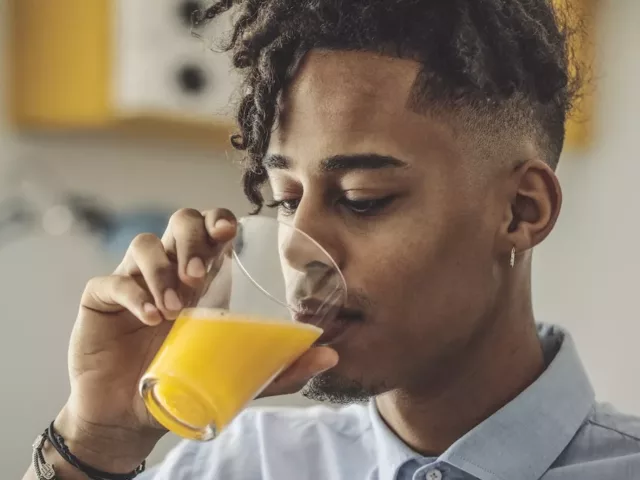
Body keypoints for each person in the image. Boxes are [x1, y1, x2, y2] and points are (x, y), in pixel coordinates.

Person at [24, 1, 640, 479]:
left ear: (521, 210)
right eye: (287, 201)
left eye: (362, 199)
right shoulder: (240, 466)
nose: (296, 247)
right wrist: (94, 440)